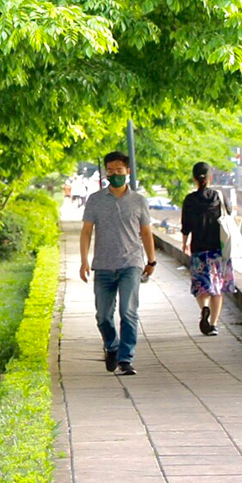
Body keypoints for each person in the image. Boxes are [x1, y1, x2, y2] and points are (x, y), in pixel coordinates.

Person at [79, 150, 156, 377]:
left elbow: (146, 232)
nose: (115, 175)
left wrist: (151, 260)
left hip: (130, 264)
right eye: (110, 171)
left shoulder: (139, 201)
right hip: (102, 266)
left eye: (119, 171)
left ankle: (126, 358)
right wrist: (84, 261)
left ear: (128, 172)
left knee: (128, 312)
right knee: (103, 316)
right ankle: (111, 345)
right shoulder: (95, 200)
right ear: (105, 173)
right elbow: (86, 232)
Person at [180, 162, 234, 337]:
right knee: (217, 288)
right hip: (219, 249)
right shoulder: (219, 196)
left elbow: (185, 225)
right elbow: (230, 214)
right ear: (210, 177)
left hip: (199, 249)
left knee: (201, 286)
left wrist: (184, 242)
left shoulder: (189, 200)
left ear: (194, 178)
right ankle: (213, 325)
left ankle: (204, 308)